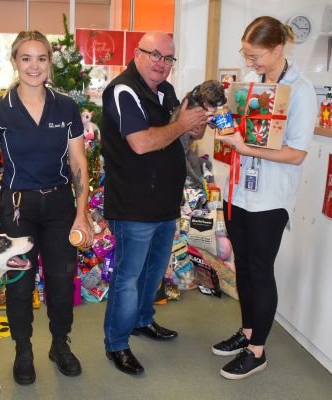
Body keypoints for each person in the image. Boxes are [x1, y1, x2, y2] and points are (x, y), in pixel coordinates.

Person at [0, 30, 93, 386]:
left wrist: (81, 212)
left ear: (49, 63)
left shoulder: (66, 106)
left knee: (61, 280)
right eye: (25, 58)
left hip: (60, 204)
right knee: (18, 283)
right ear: (14, 62)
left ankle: (60, 344)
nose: (34, 66)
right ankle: (23, 350)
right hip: (17, 208)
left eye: (41, 58)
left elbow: (78, 163)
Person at [213, 16, 317, 380]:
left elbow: (297, 153)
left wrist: (246, 147)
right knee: (242, 264)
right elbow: (246, 134)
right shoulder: (252, 85)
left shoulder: (300, 91)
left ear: (277, 50)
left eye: (254, 55)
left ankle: (257, 351)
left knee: (260, 269)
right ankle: (246, 333)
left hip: (270, 198)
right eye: (246, 55)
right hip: (240, 190)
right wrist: (224, 125)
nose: (249, 62)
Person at [101, 31, 208, 375]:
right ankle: (117, 344)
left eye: (168, 58)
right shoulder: (122, 90)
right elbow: (142, 143)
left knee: (153, 271)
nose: (161, 64)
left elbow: (185, 138)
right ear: (137, 53)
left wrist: (196, 126)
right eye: (155, 55)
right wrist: (181, 125)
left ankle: (142, 320)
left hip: (164, 200)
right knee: (128, 277)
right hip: (133, 204)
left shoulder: (166, 91)